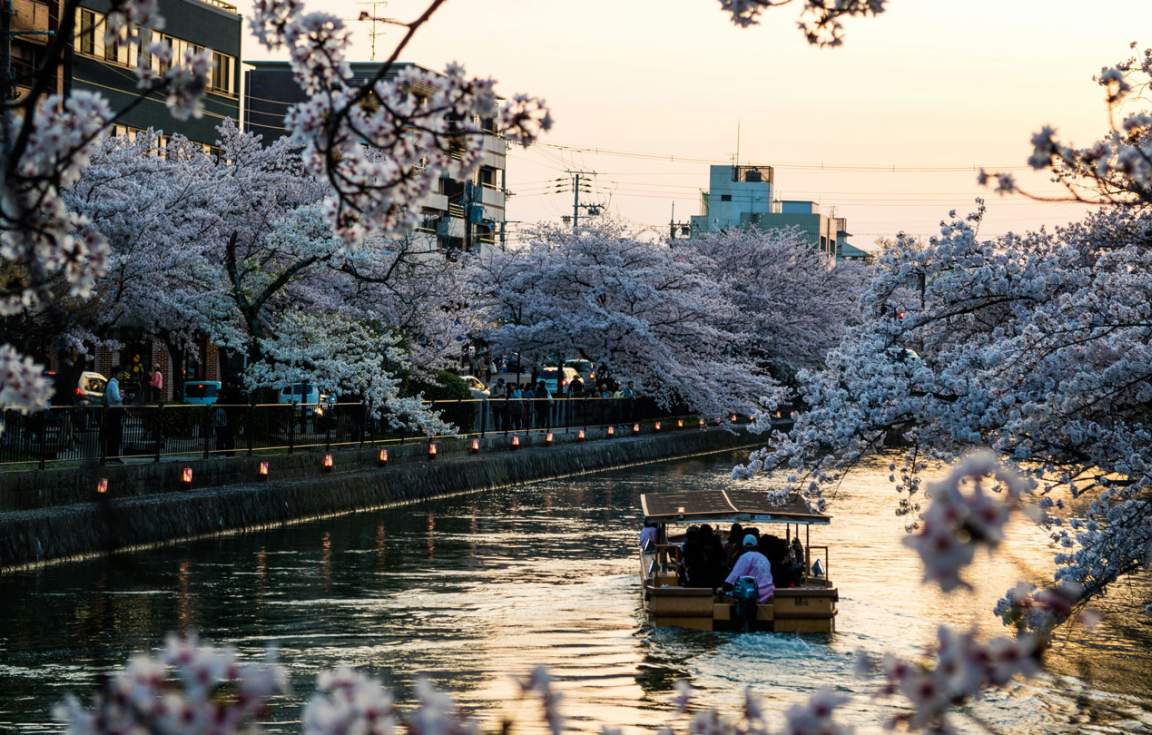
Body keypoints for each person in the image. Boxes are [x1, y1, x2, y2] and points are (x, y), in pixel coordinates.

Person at [724, 534, 775, 603]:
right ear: (756, 546)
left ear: (743, 546)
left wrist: (724, 588)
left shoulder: (745, 557)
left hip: (756, 594)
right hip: (770, 592)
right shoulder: (764, 558)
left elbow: (732, 580)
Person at [103, 366, 124, 463]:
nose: (122, 375)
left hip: (113, 411)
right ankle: (113, 456)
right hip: (114, 411)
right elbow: (116, 398)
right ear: (115, 374)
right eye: (120, 373)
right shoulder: (113, 384)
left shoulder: (112, 383)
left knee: (114, 435)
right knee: (115, 435)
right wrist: (122, 396)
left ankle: (112, 456)